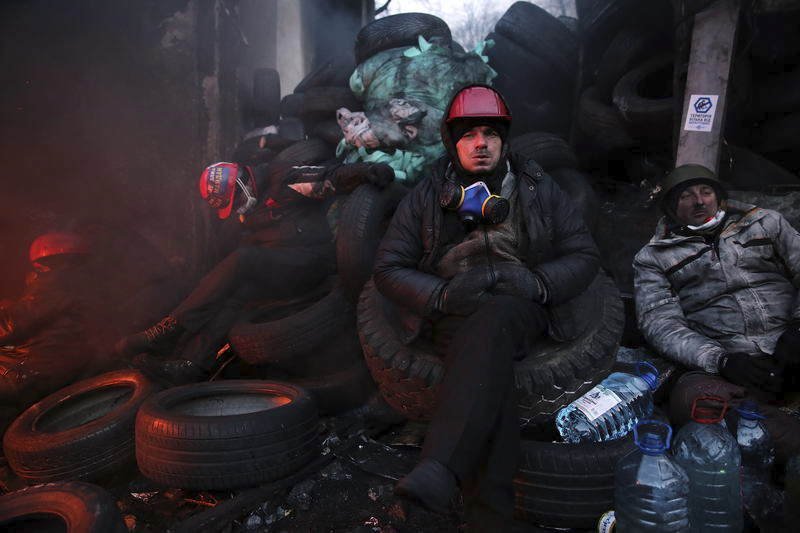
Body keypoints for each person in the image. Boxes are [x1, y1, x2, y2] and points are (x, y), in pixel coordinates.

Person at [372, 84, 599, 529]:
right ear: (451, 142)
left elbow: (584, 255)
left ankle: (440, 465)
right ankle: (487, 520)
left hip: (520, 307)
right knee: (488, 377)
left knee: (493, 321)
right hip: (452, 310)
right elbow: (387, 268)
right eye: (469, 134)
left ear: (504, 140)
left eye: (490, 134)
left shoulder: (536, 185)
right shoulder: (427, 193)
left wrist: (536, 282)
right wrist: (439, 295)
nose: (480, 143)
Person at [116, 158, 394, 385]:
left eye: (234, 202)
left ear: (241, 183)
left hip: (312, 262)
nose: (236, 210)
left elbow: (330, 176)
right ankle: (191, 363)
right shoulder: (246, 214)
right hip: (280, 272)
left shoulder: (285, 180)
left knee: (243, 259)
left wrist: (366, 171)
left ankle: (163, 330)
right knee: (237, 293)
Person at [634, 163, 800, 461]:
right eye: (686, 196)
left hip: (791, 343)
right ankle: (784, 438)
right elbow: (660, 323)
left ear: (718, 197)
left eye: (706, 191)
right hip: (734, 362)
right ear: (671, 207)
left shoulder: (765, 223)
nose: (699, 201)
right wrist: (720, 360)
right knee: (694, 399)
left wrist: (798, 329)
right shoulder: (653, 257)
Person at [0, 232, 97, 431]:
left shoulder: (56, 282)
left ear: (42, 262)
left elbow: (12, 325)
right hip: (61, 364)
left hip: (33, 370)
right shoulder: (83, 284)